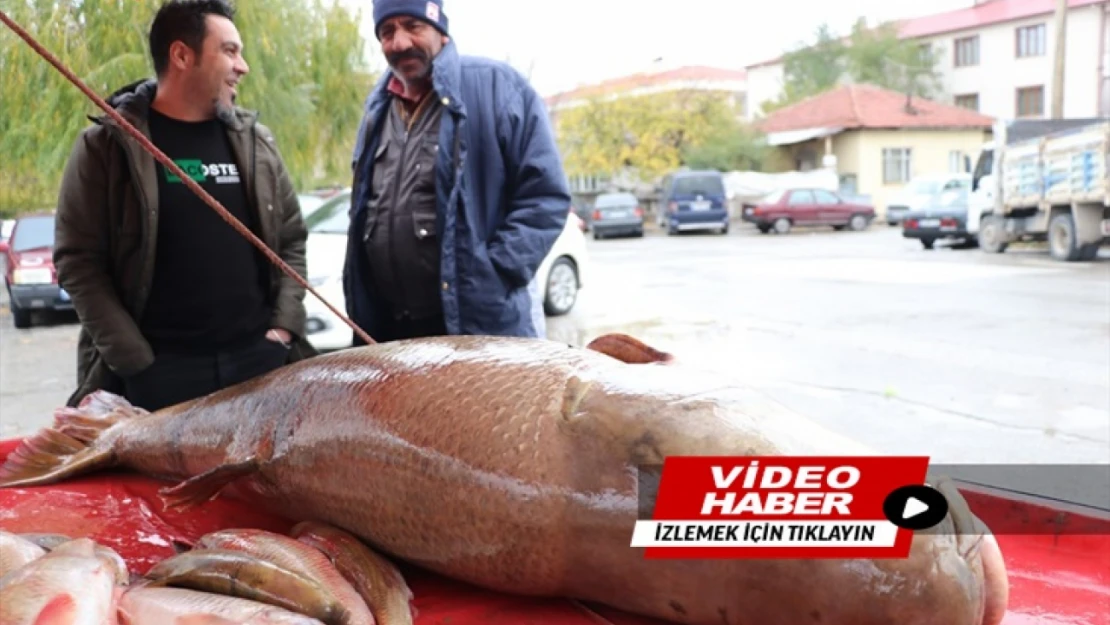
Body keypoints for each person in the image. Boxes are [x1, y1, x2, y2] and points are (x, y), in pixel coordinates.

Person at [54, 0, 316, 412]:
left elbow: (291, 241)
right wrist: (135, 361)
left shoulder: (256, 143)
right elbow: (78, 262)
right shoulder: (107, 146)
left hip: (260, 365)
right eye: (229, 51)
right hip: (156, 377)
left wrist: (284, 329)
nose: (243, 66)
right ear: (181, 55)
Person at [343, 0, 571, 344]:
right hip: (391, 331)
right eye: (387, 31)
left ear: (440, 28)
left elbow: (545, 198)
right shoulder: (377, 109)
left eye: (412, 26)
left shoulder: (498, 87)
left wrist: (495, 273)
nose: (399, 42)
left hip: (475, 325)